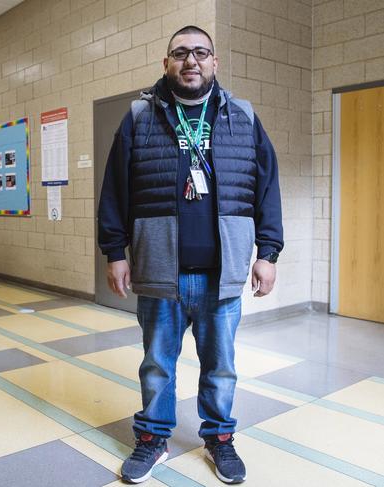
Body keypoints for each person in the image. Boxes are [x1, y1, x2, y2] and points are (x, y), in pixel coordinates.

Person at [98, 26, 283, 485]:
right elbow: (115, 191)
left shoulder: (241, 115)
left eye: (200, 52)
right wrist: (113, 251)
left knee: (221, 367)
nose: (191, 61)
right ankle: (153, 438)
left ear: (214, 62)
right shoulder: (141, 116)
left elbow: (267, 187)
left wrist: (269, 252)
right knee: (157, 364)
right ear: (167, 64)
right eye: (180, 53)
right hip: (160, 271)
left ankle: (219, 439)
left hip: (223, 274)